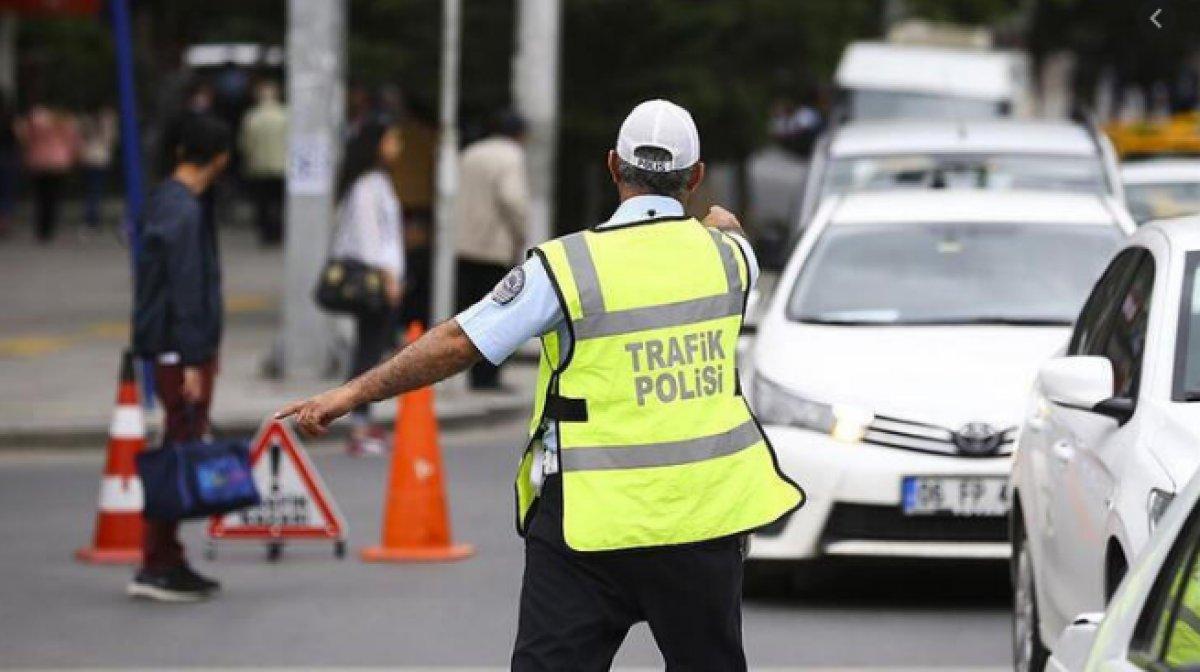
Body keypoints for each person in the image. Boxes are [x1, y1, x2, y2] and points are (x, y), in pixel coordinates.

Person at [278, 99, 804, 669]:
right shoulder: (731, 258)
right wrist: (719, 224)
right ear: (696, 176)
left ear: (612, 166)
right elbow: (725, 229)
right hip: (702, 523)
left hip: (587, 526)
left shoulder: (566, 267)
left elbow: (460, 342)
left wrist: (352, 394)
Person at [130, 115, 232, 602]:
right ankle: (158, 562)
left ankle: (166, 556)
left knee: (178, 446)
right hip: (180, 352)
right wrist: (195, 360)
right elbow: (186, 290)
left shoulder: (165, 201)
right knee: (177, 452)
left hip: (174, 348)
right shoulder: (185, 211)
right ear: (219, 159)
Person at [329, 119, 405, 456]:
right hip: (375, 281)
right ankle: (358, 424)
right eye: (392, 139)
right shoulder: (367, 185)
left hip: (384, 278)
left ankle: (363, 419)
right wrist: (388, 278)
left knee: (371, 349)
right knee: (368, 352)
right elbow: (369, 238)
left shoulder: (377, 182)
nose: (397, 146)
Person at [453, 110, 530, 390]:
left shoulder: (470, 153)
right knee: (497, 315)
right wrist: (520, 234)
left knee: (469, 313)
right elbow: (512, 199)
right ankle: (487, 377)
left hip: (463, 244)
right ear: (520, 134)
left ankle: (471, 373)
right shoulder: (511, 156)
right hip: (493, 246)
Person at [16, 101, 78, 242]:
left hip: (38, 162)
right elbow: (72, 141)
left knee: (40, 197)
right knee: (53, 198)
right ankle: (49, 228)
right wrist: (72, 157)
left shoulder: (35, 117)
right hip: (59, 162)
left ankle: (41, 229)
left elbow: (25, 137)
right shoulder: (65, 120)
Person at [239, 80, 288, 245]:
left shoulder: (252, 117)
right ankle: (279, 232)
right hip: (282, 166)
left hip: (259, 167)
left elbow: (245, 144)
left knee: (263, 203)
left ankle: (266, 233)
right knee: (280, 203)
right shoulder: (286, 115)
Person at [77, 103, 118, 231]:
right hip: (100, 158)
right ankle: (93, 218)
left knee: (90, 189)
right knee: (96, 189)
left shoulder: (86, 121)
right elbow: (111, 139)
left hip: (88, 157)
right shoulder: (107, 121)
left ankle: (90, 218)